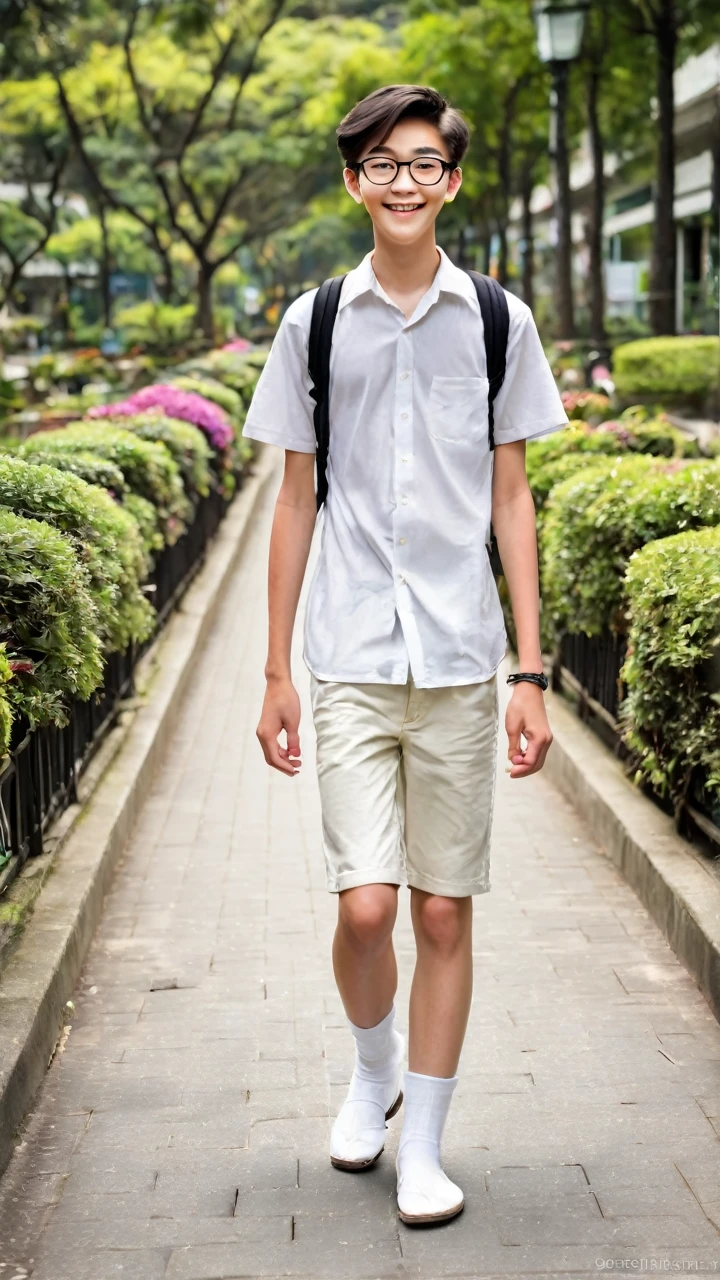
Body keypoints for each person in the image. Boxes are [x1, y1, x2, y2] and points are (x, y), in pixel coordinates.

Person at [242, 84, 568, 1226]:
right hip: (348, 651)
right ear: (353, 182)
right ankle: (372, 1066)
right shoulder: (313, 322)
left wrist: (530, 671)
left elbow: (514, 498)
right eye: (382, 164)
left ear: (453, 180)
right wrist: (277, 669)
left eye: (424, 163)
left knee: (441, 910)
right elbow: (291, 503)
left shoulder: (496, 318)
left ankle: (422, 1140)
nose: (404, 182)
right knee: (370, 906)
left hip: (463, 659)